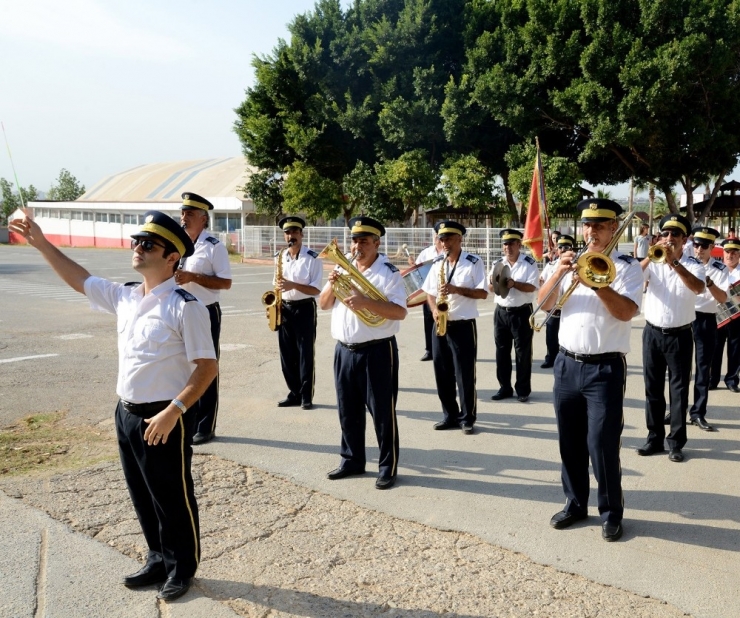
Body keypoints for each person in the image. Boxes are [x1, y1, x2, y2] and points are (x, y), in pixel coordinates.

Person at [9, 211, 218, 601]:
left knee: (172, 495)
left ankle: (180, 568)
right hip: (127, 412)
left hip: (163, 414)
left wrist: (174, 410)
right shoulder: (125, 296)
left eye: (149, 244)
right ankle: (158, 557)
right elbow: (79, 278)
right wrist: (40, 243)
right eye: (137, 241)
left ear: (173, 257)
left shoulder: (184, 306)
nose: (138, 248)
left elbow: (207, 367)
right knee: (141, 492)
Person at [538, 199, 642, 542]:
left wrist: (596, 282)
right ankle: (574, 502)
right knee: (569, 441)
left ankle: (611, 512)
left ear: (614, 228)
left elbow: (626, 312)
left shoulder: (627, 267)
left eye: (600, 225)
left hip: (605, 369)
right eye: (587, 225)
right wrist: (558, 272)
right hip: (567, 364)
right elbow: (545, 305)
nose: (592, 231)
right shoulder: (570, 262)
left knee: (601, 444)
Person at [319, 216, 407, 490]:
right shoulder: (342, 268)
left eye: (364, 241)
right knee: (347, 410)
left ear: (376, 243)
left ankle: (387, 467)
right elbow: (323, 304)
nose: (357, 246)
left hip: (377, 351)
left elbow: (400, 311)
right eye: (355, 240)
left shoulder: (388, 272)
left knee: (382, 412)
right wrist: (332, 283)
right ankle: (352, 460)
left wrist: (367, 302)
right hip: (344, 350)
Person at [638, 213, 705, 463]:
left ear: (684, 238)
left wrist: (674, 263)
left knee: (678, 391)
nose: (669, 238)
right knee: (652, 389)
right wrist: (651, 255)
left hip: (680, 335)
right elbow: (633, 277)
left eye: (675, 234)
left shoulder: (694, 263)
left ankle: (676, 443)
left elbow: (698, 288)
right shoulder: (653, 260)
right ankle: (654, 438)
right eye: (665, 234)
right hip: (652, 333)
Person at [174, 192, 232, 445]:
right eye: (182, 213)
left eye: (188, 214)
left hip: (207, 311)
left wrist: (193, 277)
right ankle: (187, 417)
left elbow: (225, 282)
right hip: (182, 310)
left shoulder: (214, 246)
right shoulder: (178, 244)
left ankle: (206, 426)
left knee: (206, 367)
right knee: (184, 365)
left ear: (202, 218)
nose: (183, 217)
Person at [421, 221, 488, 433]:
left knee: (464, 374)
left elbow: (483, 293)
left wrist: (455, 289)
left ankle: (467, 417)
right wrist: (433, 309)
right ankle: (449, 414)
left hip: (463, 325)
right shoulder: (437, 262)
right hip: (440, 323)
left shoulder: (473, 262)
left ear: (460, 239)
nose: (444, 242)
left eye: (449, 238)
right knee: (442, 373)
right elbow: (429, 293)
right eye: (442, 239)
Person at [273, 216, 323, 409]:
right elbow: (275, 285)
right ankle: (294, 392)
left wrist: (292, 285)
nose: (290, 236)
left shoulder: (312, 258)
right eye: (287, 232)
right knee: (286, 355)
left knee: (305, 355)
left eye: (294, 232)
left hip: (304, 308)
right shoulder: (279, 257)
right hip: (284, 307)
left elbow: (316, 290)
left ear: (301, 234)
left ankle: (306, 395)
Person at [489, 229, 540, 402]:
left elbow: (532, 287)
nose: (507, 247)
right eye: (505, 244)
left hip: (521, 312)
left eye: (511, 243)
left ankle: (523, 389)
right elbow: (489, 288)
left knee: (523, 353)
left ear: (519, 244)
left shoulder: (529, 263)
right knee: (501, 352)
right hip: (501, 312)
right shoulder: (498, 263)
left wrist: (514, 283)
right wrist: (494, 284)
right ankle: (504, 387)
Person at [687, 227, 728, 431]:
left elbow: (722, 299)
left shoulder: (720, 269)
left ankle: (698, 412)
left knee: (703, 368)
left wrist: (708, 281)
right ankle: (677, 409)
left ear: (712, 247)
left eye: (704, 246)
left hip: (705, 319)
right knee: (680, 370)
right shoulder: (685, 264)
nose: (699, 249)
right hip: (684, 318)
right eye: (696, 245)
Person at [539, 235, 575, 369]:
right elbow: (543, 280)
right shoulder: (551, 265)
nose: (563, 249)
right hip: (554, 307)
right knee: (551, 336)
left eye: (566, 247)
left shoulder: (577, 264)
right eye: (560, 247)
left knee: (568, 336)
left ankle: (566, 360)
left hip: (569, 307)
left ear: (571, 248)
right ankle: (551, 358)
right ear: (556, 249)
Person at [711, 238, 740, 392]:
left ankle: (732, 380)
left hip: (737, 318)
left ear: (739, 254)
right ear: (723, 253)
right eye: (727, 252)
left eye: (734, 252)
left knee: (735, 350)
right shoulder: (716, 269)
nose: (730, 255)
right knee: (715, 349)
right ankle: (713, 379)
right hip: (717, 316)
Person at [415, 234, 444, 361]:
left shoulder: (447, 250)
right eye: (436, 236)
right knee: (428, 322)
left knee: (444, 321)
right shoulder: (426, 252)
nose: (437, 239)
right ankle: (429, 350)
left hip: (444, 293)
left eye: (440, 237)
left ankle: (444, 350)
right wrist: (413, 264)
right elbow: (416, 268)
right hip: (429, 292)